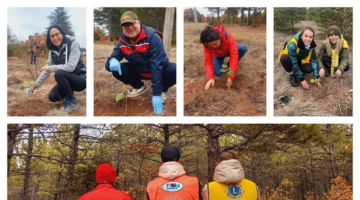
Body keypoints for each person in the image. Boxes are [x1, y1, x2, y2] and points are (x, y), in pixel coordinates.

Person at [105, 11, 176, 115]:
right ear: (122, 28)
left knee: (176, 69)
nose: (129, 27)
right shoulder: (122, 42)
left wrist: (156, 93)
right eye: (125, 25)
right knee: (117, 70)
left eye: (132, 23)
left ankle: (162, 90)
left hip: (159, 70)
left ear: (138, 22)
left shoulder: (152, 37)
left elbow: (156, 65)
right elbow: (110, 63)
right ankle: (139, 87)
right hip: (139, 70)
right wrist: (112, 60)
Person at [31, 25, 86, 113]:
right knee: (52, 97)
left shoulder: (73, 44)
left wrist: (50, 67)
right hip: (67, 79)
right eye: (52, 36)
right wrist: (35, 85)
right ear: (49, 38)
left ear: (62, 34)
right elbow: (47, 69)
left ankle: (72, 102)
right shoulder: (52, 51)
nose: (55, 38)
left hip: (80, 79)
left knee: (59, 73)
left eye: (57, 34)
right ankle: (69, 93)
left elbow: (70, 67)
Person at [200, 25, 247, 91]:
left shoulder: (227, 36)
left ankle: (229, 64)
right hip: (217, 56)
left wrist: (231, 76)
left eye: (215, 44)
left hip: (228, 52)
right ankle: (220, 63)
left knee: (243, 48)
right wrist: (210, 78)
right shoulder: (206, 44)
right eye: (211, 45)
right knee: (218, 73)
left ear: (220, 36)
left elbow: (234, 55)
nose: (214, 47)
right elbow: (208, 61)